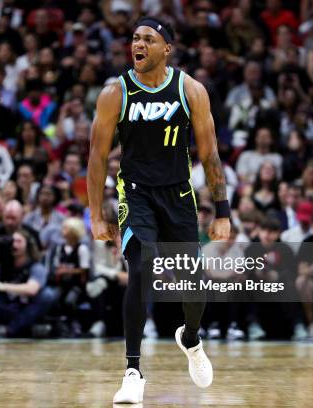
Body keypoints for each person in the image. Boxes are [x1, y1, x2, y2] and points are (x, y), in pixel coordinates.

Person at [86, 17, 231, 403]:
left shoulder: (191, 90)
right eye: (135, 38)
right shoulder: (114, 92)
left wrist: (223, 210)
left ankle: (191, 338)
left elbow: (210, 153)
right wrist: (96, 214)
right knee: (141, 265)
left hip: (179, 195)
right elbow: (97, 157)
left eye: (149, 39)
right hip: (135, 193)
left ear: (167, 48)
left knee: (195, 283)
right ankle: (133, 371)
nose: (139, 44)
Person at [0, 229, 56, 338]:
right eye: (12, 241)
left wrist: (3, 286)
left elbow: (31, 289)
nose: (14, 245)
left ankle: (9, 330)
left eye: (19, 241)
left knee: (48, 295)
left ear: (28, 245)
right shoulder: (3, 265)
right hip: (10, 308)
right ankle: (28, 329)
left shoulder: (36, 267)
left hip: (29, 307)